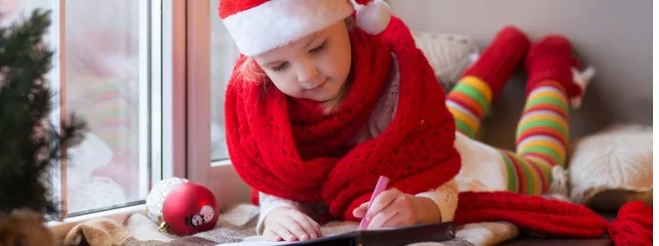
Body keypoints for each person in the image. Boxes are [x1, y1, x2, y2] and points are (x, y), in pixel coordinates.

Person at [219, 0, 651, 244]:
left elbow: (440, 179)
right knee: (451, 119)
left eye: (317, 48)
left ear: (351, 21)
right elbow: (275, 179)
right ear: (255, 65)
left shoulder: (394, 76)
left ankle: (551, 63)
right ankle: (507, 48)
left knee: (541, 166)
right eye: (278, 65)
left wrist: (418, 208)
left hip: (461, 165)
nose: (306, 76)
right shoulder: (262, 105)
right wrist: (274, 214)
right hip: (434, 138)